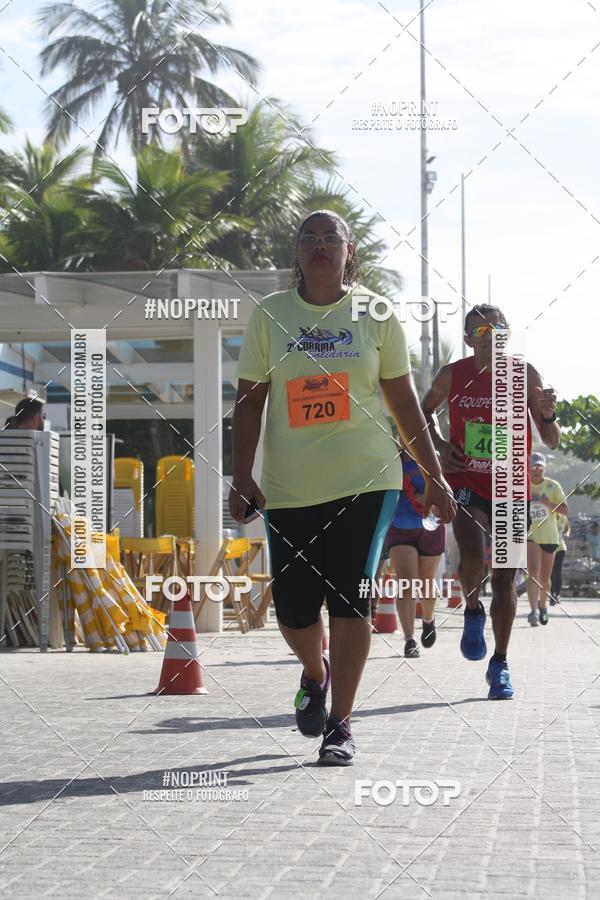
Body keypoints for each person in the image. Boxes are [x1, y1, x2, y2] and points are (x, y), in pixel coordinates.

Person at [229, 209, 456, 765]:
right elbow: (250, 401)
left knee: (352, 599)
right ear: (297, 253)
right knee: (294, 612)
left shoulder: (375, 312)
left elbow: (403, 403)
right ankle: (315, 670)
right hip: (289, 488)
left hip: (367, 480)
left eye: (332, 239)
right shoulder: (270, 315)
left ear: (348, 250)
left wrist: (432, 475)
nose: (321, 247)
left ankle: (341, 725)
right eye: (310, 238)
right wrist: (242, 476)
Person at [422, 304, 561, 699]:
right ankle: (471, 609)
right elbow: (420, 413)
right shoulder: (452, 375)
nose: (491, 338)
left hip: (512, 486)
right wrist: (439, 444)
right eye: (481, 332)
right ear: (468, 339)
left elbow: (550, 440)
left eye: (498, 330)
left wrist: (547, 415)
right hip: (466, 479)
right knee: (470, 554)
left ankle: (499, 664)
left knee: (504, 576)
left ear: (508, 335)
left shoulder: (525, 374)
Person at [384, 449, 445, 658]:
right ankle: (409, 640)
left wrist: (430, 495)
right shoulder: (389, 458)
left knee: (426, 583)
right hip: (400, 526)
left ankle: (428, 619)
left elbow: (448, 488)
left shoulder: (432, 456)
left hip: (430, 526)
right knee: (406, 583)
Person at [526, 453, 568, 625]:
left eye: (540, 467)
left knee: (545, 578)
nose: (536, 470)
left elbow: (565, 510)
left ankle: (542, 606)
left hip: (550, 536)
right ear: (529, 468)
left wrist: (549, 504)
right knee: (533, 572)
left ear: (544, 468)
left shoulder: (553, 486)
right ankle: (533, 611)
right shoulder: (523, 484)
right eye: (534, 467)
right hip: (530, 534)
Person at [550, 513, 569, 605]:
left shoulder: (563, 517)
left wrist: (567, 533)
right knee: (551, 572)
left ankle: (557, 594)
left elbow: (567, 528)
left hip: (561, 547)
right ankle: (552, 593)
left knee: (558, 571)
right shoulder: (549, 516)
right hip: (550, 547)